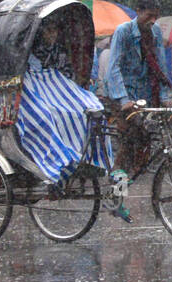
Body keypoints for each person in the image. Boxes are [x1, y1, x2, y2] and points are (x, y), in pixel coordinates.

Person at [17, 11, 111, 188]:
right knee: (47, 115)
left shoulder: (58, 51)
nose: (53, 35)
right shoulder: (25, 54)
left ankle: (87, 159)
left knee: (91, 108)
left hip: (58, 90)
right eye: (48, 31)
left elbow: (66, 76)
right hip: (33, 93)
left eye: (55, 31)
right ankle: (59, 161)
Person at [102, 0, 172, 179]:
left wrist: (165, 98)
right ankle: (117, 182)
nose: (152, 20)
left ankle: (130, 178)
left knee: (146, 141)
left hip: (145, 94)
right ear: (138, 12)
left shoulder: (155, 31)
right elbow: (114, 68)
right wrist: (124, 99)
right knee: (129, 139)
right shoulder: (123, 31)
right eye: (148, 15)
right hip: (123, 94)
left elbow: (160, 66)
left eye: (155, 16)